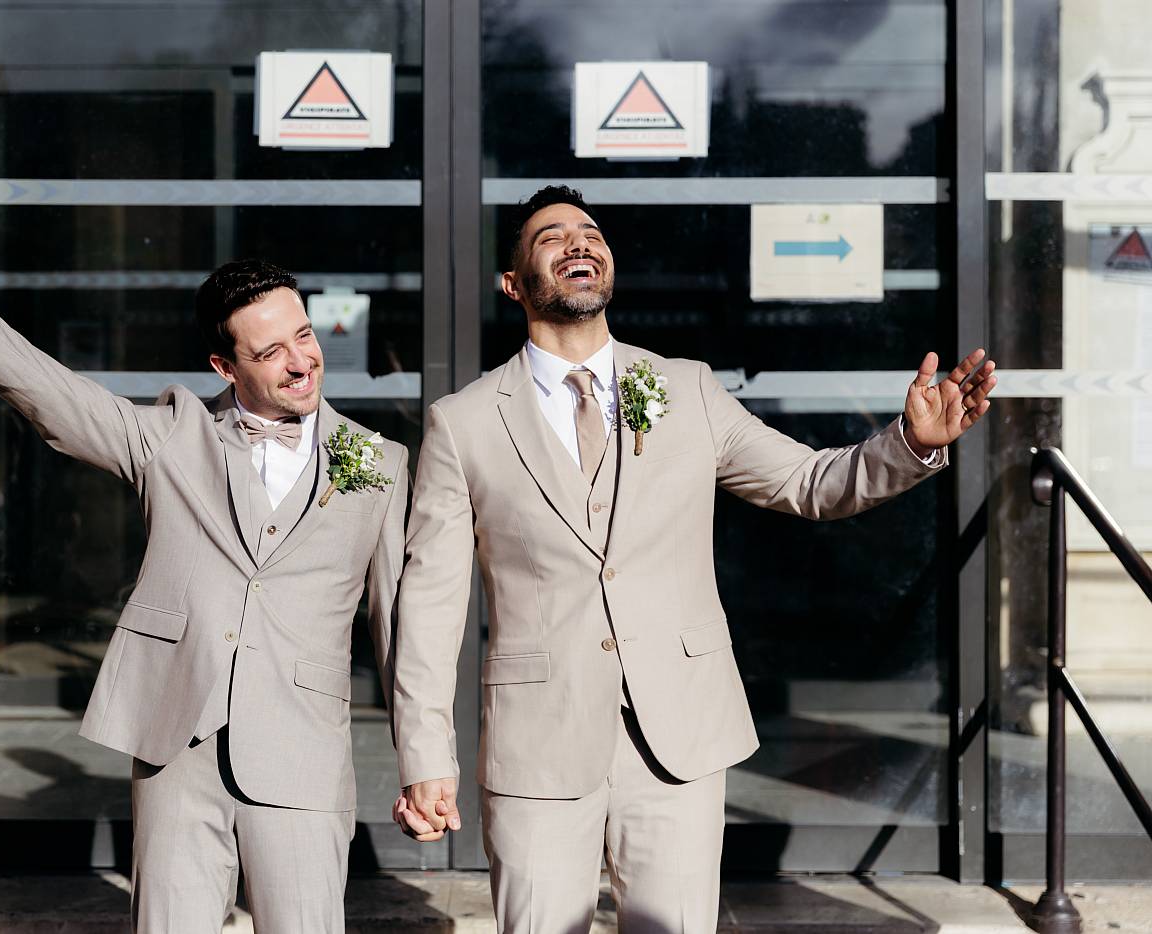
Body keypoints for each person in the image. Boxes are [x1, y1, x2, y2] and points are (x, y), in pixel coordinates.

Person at [390, 185, 996, 933]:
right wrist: (425, 753)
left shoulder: (686, 389)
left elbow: (808, 482)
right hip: (536, 744)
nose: (579, 242)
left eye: (590, 231)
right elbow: (428, 603)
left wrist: (911, 446)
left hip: (676, 736)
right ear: (513, 284)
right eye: (552, 237)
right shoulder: (465, 424)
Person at [0, 201, 409, 933]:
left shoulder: (378, 465)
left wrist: (425, 762)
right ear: (224, 366)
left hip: (303, 752)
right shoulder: (169, 439)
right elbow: (51, 393)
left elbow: (401, 626)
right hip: (177, 748)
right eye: (270, 352)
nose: (300, 361)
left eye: (304, 336)